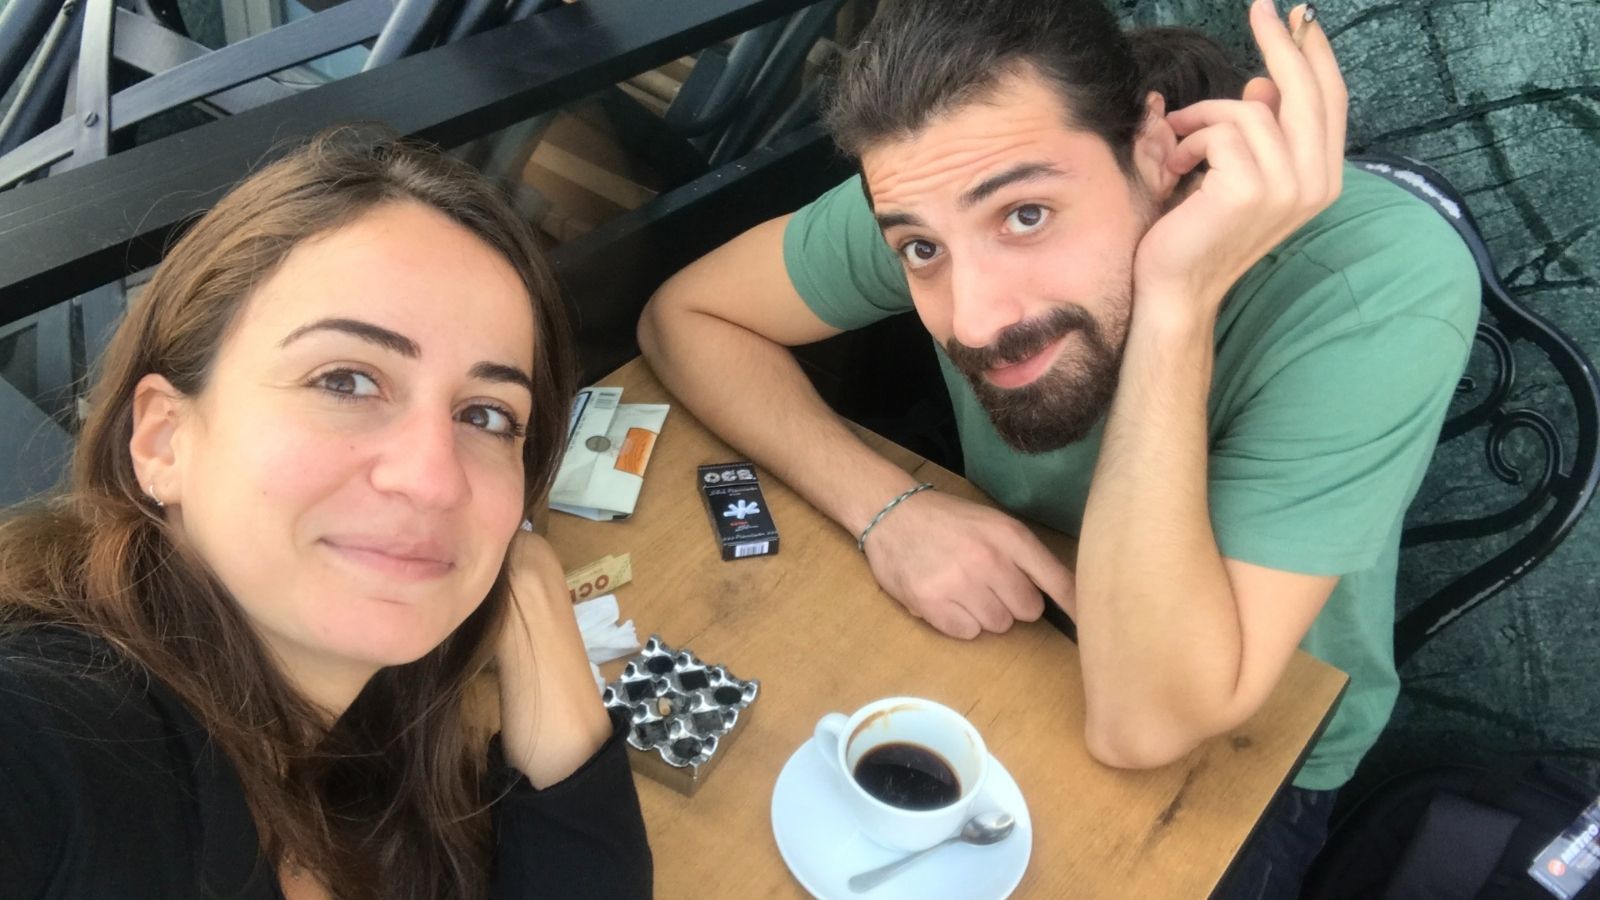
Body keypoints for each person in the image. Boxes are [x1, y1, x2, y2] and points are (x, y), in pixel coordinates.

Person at [638, 0, 1479, 895]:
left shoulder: (1380, 283)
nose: (975, 316)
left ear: (1154, 150)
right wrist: (888, 507)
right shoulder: (949, 175)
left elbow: (1144, 725)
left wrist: (1176, 299)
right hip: (1015, 619)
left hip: (1245, 745)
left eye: (1027, 217)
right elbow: (686, 317)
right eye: (921, 249)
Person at [0, 130, 652, 899]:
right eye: (345, 379)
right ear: (164, 439)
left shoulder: (374, 747)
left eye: (486, 416)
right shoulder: (54, 737)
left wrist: (532, 592)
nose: (433, 479)